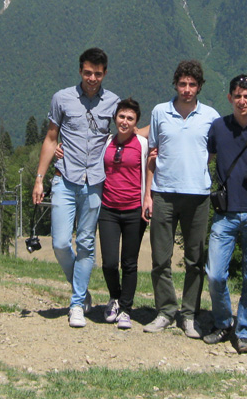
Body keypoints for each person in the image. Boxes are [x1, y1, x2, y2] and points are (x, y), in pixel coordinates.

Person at [32, 48, 119, 328]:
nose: (92, 78)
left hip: (95, 182)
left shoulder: (113, 102)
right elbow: (51, 138)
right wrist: (39, 178)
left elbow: (126, 132)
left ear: (105, 73)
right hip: (65, 179)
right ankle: (80, 290)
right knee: (59, 243)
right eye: (88, 73)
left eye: (98, 74)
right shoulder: (62, 98)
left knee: (85, 244)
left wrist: (157, 132)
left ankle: (77, 303)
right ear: (80, 71)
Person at [142, 60, 219, 338]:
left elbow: (213, 151)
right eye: (183, 84)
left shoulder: (210, 116)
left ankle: (189, 315)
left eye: (192, 84)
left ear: (199, 87)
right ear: (175, 84)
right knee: (160, 258)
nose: (187, 89)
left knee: (195, 259)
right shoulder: (159, 112)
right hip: (163, 193)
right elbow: (152, 154)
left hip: (198, 196)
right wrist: (147, 195)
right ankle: (165, 311)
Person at [203, 74, 247, 354]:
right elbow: (204, 157)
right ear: (230, 97)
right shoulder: (218, 127)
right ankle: (223, 322)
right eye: (237, 96)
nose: (242, 101)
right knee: (215, 274)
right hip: (226, 212)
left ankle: (245, 331)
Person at [98, 98, 149, 330]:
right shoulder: (106, 142)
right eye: (121, 116)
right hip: (108, 208)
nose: (125, 122)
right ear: (115, 118)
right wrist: (61, 150)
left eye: (130, 118)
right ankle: (115, 297)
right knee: (109, 263)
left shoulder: (142, 144)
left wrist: (148, 199)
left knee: (129, 263)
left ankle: (126, 309)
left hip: (133, 211)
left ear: (136, 122)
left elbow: (151, 169)